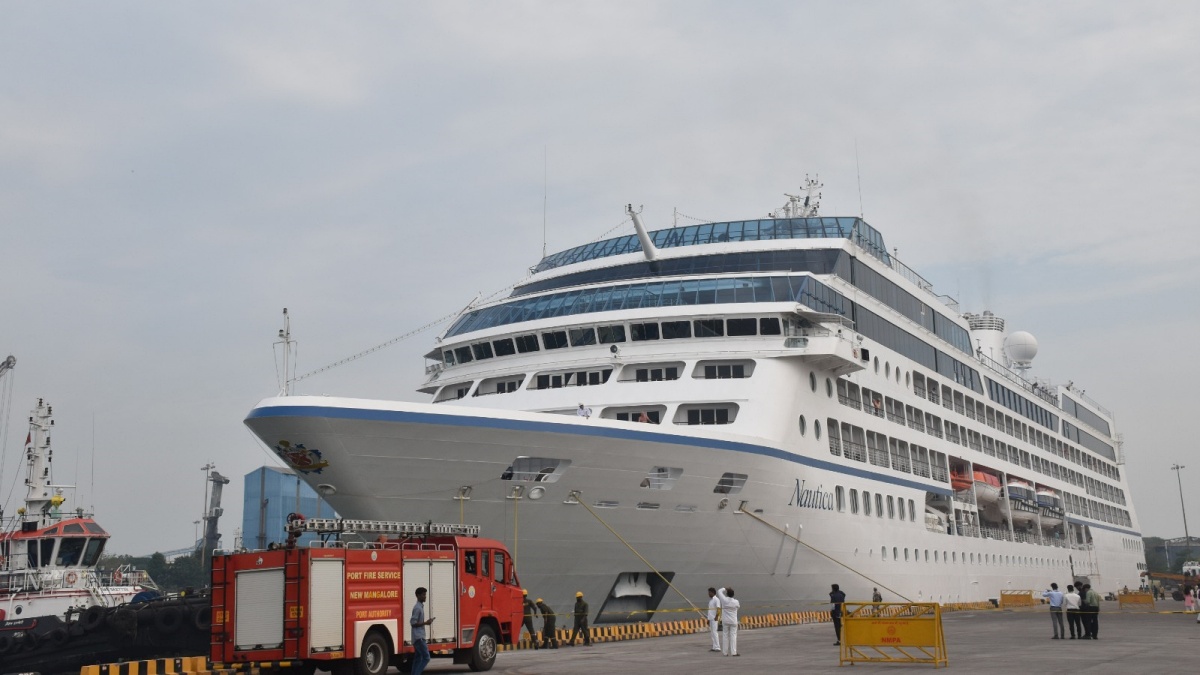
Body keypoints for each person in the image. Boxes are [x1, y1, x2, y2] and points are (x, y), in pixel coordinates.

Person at [410, 587, 435, 675]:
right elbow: (413, 622)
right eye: (423, 595)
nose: (425, 597)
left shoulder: (420, 607)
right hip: (419, 637)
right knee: (426, 657)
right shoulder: (417, 608)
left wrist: (426, 622)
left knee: (418, 658)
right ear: (418, 596)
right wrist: (425, 623)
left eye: (425, 595)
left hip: (417, 637)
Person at [716, 587, 740, 656]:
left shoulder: (724, 600)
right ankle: (734, 652)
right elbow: (738, 607)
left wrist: (724, 588)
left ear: (726, 594)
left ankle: (725, 652)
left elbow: (719, 591)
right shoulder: (736, 602)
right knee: (733, 636)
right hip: (733, 621)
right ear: (733, 594)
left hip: (725, 621)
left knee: (725, 636)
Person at [707, 587, 722, 652]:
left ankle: (718, 647)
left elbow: (718, 608)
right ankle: (714, 646)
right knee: (712, 633)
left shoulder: (716, 599)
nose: (708, 594)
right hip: (711, 618)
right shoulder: (711, 600)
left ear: (713, 592)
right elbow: (710, 611)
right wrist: (708, 619)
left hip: (714, 618)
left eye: (709, 592)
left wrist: (717, 616)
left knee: (715, 632)